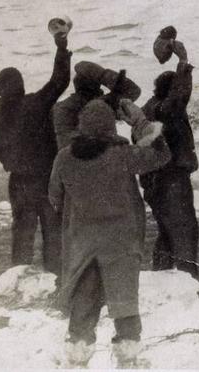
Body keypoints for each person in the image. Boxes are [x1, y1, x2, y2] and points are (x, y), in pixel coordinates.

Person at [48, 99, 169, 368]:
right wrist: (140, 123)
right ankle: (127, 360)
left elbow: (54, 197)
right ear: (110, 127)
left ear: (82, 126)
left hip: (83, 243)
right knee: (124, 300)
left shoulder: (64, 157)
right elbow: (162, 155)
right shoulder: (122, 155)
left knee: (83, 302)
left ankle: (78, 359)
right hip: (121, 240)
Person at [0, 17, 72, 274]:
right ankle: (55, 278)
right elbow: (59, 81)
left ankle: (17, 278)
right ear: (20, 85)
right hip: (45, 179)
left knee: (21, 233)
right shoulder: (34, 104)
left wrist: (5, 158)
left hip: (18, 182)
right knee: (52, 231)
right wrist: (61, 47)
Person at [140, 27, 199, 277]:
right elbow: (179, 99)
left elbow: (177, 98)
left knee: (166, 230)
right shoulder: (166, 111)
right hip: (171, 178)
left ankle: (161, 276)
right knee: (185, 230)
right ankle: (188, 281)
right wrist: (182, 61)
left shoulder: (147, 108)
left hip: (153, 180)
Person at [52, 59, 141, 147]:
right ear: (98, 87)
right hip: (103, 155)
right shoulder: (103, 104)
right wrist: (101, 74)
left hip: (69, 157)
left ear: (76, 85)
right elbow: (132, 90)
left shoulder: (58, 108)